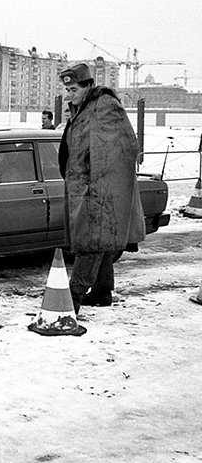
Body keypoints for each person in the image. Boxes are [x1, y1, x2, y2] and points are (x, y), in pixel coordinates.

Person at [58, 63, 145, 314]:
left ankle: (70, 302)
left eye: (73, 89)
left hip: (97, 189)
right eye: (67, 90)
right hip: (82, 186)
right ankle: (101, 292)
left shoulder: (105, 106)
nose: (69, 94)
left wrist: (99, 187)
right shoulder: (82, 109)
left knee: (91, 242)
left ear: (88, 86)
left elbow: (117, 150)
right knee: (99, 241)